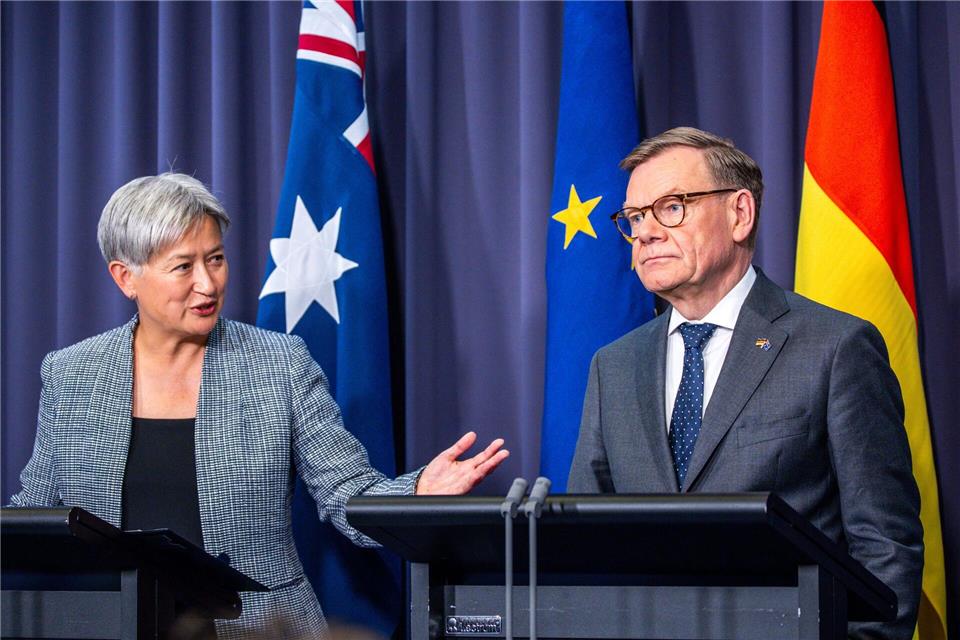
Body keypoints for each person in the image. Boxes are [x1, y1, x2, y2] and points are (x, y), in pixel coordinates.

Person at [10, 173, 509, 638]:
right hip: (113, 626)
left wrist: (418, 492)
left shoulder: (280, 363)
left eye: (216, 258)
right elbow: (34, 516)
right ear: (126, 278)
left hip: (263, 627)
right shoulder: (71, 373)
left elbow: (346, 494)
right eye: (183, 266)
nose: (208, 284)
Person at [568, 127, 923, 639]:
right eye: (634, 217)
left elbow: (885, 544)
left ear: (739, 213)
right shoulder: (613, 366)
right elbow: (587, 543)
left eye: (671, 207)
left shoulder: (835, 347)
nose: (644, 232)